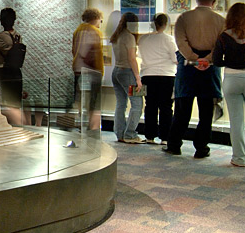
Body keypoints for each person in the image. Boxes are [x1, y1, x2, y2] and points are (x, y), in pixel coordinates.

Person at [166, 0, 225, 158]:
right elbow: (220, 45)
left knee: (182, 108)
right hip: (210, 67)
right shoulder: (221, 21)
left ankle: (174, 144)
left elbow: (180, 41)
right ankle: (201, 147)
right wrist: (206, 59)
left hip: (187, 66)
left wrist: (193, 58)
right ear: (213, 2)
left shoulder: (184, 18)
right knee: (206, 111)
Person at [210, 2, 245, 167]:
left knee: (236, 121)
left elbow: (216, 61)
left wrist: (230, 61)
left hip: (231, 79)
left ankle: (239, 158)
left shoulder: (224, 36)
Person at [139, 13, 177, 145]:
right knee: (166, 107)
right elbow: (175, 58)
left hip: (147, 75)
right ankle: (165, 137)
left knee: (150, 106)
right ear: (165, 24)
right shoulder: (169, 39)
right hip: (167, 75)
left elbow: (140, 55)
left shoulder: (143, 39)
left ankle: (149, 135)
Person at [110, 12, 145, 143]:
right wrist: (138, 78)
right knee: (137, 104)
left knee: (121, 104)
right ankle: (130, 134)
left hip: (116, 71)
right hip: (128, 72)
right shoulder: (129, 37)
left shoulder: (117, 35)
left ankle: (120, 133)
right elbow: (132, 58)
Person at [72, 8, 105, 130]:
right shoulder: (95, 32)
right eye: (100, 21)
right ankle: (93, 127)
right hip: (92, 71)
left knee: (80, 98)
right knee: (94, 102)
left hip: (78, 69)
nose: (100, 24)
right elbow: (91, 53)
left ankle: (80, 123)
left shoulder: (77, 31)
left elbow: (74, 50)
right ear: (96, 18)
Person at [0, 7, 23, 125]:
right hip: (16, 71)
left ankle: (8, 124)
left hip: (3, 70)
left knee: (5, 100)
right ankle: (17, 123)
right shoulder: (18, 36)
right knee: (16, 101)